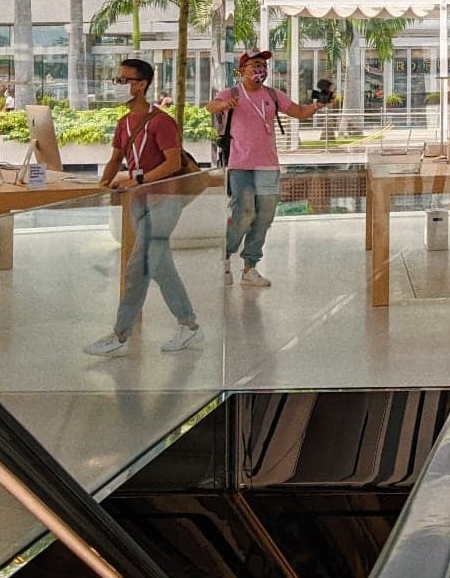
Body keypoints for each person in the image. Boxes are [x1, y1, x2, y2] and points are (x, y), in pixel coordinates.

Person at [85, 59, 203, 357]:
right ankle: (189, 325)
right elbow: (115, 159)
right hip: (139, 203)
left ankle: (120, 334)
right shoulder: (123, 123)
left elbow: (173, 163)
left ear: (141, 84)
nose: (117, 85)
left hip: (165, 201)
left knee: (138, 268)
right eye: (117, 79)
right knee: (161, 267)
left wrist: (136, 179)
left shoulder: (162, 122)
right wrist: (101, 185)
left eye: (124, 80)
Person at [206, 50, 331, 286]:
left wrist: (318, 105)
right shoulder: (232, 93)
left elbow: (299, 112)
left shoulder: (272, 95)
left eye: (263, 65)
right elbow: (210, 107)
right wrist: (224, 103)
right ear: (242, 69)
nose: (260, 69)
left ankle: (250, 267)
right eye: (255, 64)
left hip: (268, 165)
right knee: (243, 213)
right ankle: (225, 252)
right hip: (240, 164)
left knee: (264, 215)